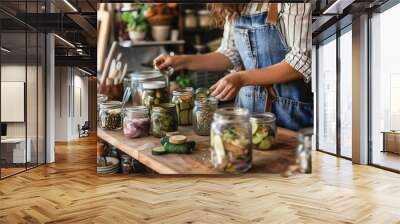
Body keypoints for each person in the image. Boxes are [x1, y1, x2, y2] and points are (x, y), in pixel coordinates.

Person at [154, 3, 313, 131]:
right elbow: (230, 54)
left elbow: (301, 61)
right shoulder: (235, 5)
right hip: (246, 112)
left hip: (289, 113)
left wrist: (242, 78)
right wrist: (180, 61)